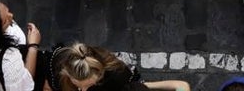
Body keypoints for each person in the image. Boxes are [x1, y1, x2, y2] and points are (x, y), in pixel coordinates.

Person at [48, 43, 189, 91]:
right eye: (80, 85)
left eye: (86, 86)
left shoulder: (116, 77)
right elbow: (182, 85)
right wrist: (146, 86)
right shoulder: (117, 76)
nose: (83, 90)